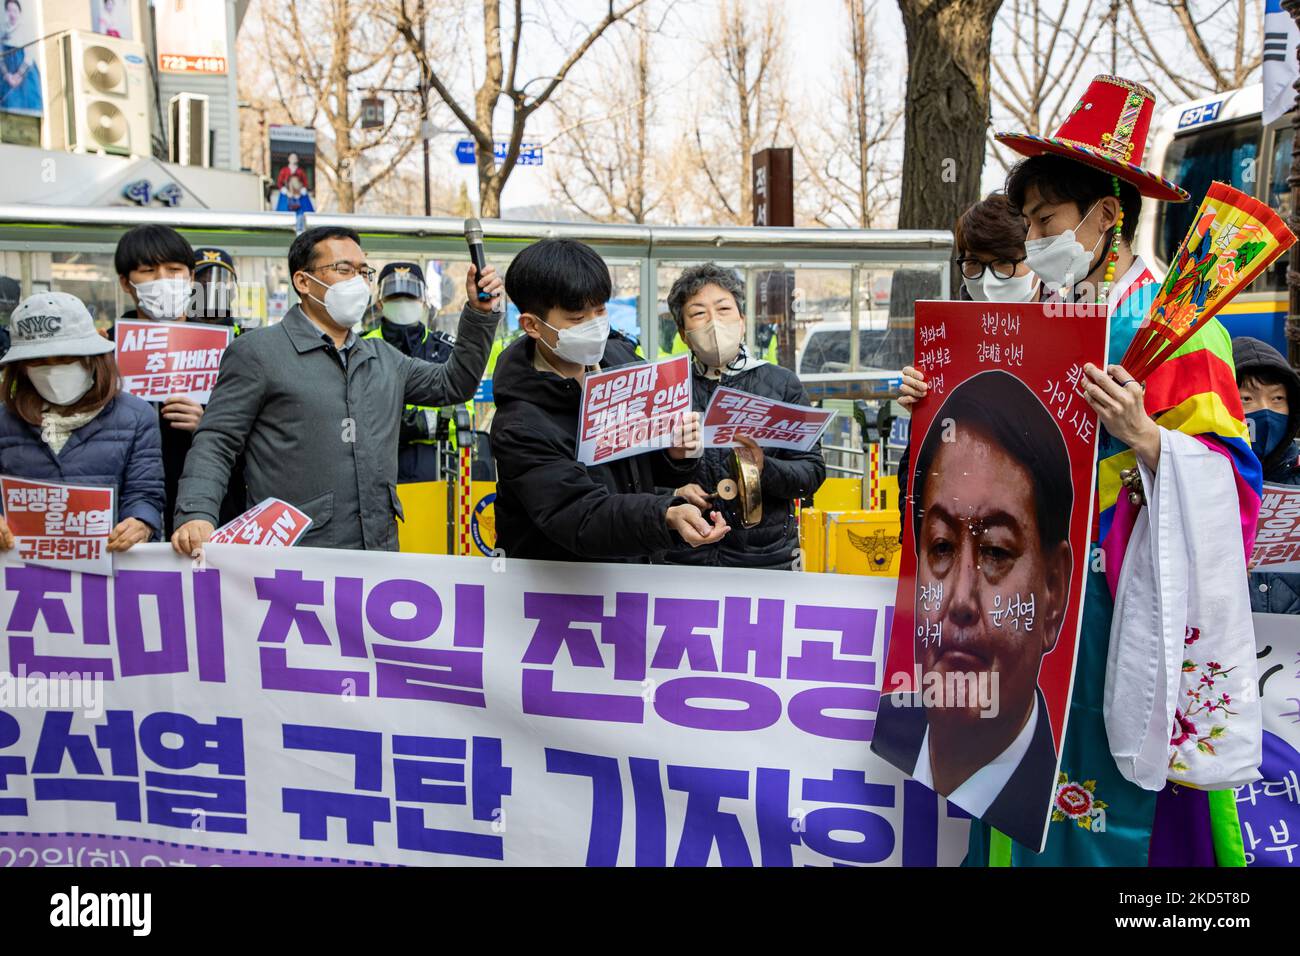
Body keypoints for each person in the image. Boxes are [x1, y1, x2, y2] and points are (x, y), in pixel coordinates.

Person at [904, 75, 1262, 867]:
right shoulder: (1040, 320)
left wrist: (1148, 440)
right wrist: (932, 411)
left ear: (1108, 214)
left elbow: (1236, 488)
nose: (1032, 242)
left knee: (1122, 802)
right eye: (1026, 224)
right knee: (1024, 777)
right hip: (1029, 601)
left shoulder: (1179, 327)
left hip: (1122, 602)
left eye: (1046, 221)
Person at [171, 225, 501, 554]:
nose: (358, 282)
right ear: (302, 281)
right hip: (295, 556)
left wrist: (479, 315)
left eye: (363, 272)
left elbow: (454, 383)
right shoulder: (259, 353)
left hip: (377, 550)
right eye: (343, 269)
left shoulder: (383, 358)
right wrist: (196, 513)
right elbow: (217, 441)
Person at [874, 372, 1070, 843]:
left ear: (1054, 591)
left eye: (997, 553)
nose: (960, 600)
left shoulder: (1069, 797)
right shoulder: (888, 734)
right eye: (940, 546)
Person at [490, 238, 722, 562]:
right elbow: (577, 514)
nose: (595, 326)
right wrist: (663, 515)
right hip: (559, 591)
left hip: (631, 568)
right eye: (576, 318)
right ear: (532, 325)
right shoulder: (520, 423)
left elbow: (639, 469)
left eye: (600, 310)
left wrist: (674, 453)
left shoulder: (621, 360)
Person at [663, 262, 824, 569]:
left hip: (767, 558)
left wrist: (765, 468)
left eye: (723, 309)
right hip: (684, 557)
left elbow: (812, 474)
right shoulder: (668, 388)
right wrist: (673, 490)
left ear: (742, 321)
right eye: (698, 313)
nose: (713, 323)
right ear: (683, 333)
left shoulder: (781, 383)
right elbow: (636, 478)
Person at [0, 292, 163, 552]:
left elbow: (145, 492)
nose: (53, 370)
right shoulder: (4, 420)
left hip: (107, 568)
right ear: (21, 367)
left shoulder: (136, 416)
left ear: (92, 357)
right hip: (21, 572)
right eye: (38, 362)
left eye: (67, 358)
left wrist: (140, 523)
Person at [113, 224, 240, 538]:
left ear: (191, 277)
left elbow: (256, 433)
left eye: (174, 269)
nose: (163, 280)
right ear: (126, 282)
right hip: (127, 515)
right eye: (148, 270)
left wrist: (209, 425)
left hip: (210, 511)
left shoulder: (226, 348)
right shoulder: (105, 350)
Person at [363, 262, 457, 483]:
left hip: (434, 467)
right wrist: (424, 420)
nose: (403, 304)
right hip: (374, 469)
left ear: (424, 302)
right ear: (380, 303)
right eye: (395, 298)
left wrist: (396, 423)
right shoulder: (361, 347)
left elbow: (463, 411)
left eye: (410, 297)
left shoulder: (445, 349)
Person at [1234, 336, 1300, 614]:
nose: (1266, 412)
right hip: (1227, 648)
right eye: (1247, 399)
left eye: (1277, 399)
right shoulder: (1200, 477)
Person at [192, 247, 241, 327]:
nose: (210, 282)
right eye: (201, 275)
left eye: (219, 277)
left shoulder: (241, 334)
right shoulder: (173, 328)